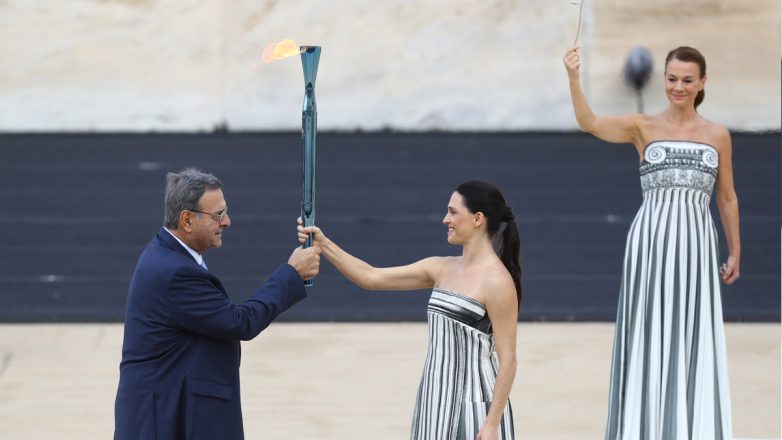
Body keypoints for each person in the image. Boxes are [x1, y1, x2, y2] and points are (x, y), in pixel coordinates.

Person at [564, 45, 740, 438]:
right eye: (672, 78)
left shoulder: (718, 135)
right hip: (651, 243)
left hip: (697, 247)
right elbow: (589, 122)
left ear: (702, 83)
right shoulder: (642, 126)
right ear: (663, 79)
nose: (679, 86)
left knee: (693, 331)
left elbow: (727, 197)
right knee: (648, 327)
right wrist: (574, 78)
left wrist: (735, 251)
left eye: (688, 80)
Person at [298, 180, 521, 439]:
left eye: (453, 212)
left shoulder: (497, 282)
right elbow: (371, 277)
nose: (445, 219)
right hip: (434, 402)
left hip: (477, 409)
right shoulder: (440, 268)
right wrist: (323, 243)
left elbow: (508, 360)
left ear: (477, 219)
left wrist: (492, 424)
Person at [114, 168, 321, 440]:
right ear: (187, 220)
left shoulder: (169, 255)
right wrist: (292, 273)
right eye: (218, 215)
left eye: (226, 212)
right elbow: (240, 322)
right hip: (162, 420)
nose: (227, 222)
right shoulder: (175, 273)